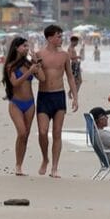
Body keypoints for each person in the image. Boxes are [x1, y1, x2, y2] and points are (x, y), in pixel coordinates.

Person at [33, 24, 79, 178]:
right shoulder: (39, 54)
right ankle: (45, 158)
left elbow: (70, 77)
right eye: (58, 36)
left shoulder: (65, 55)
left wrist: (75, 96)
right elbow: (35, 74)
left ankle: (54, 167)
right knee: (42, 132)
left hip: (59, 96)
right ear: (49, 37)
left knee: (57, 133)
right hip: (44, 96)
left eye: (61, 36)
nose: (61, 39)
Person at [0, 37, 42, 175]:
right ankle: (17, 165)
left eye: (27, 46)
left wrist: (36, 64)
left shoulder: (29, 63)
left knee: (26, 135)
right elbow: (15, 83)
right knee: (22, 132)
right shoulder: (10, 65)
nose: (26, 48)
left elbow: (42, 78)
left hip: (30, 103)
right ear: (17, 48)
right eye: (24, 46)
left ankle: (20, 166)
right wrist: (29, 72)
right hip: (16, 103)